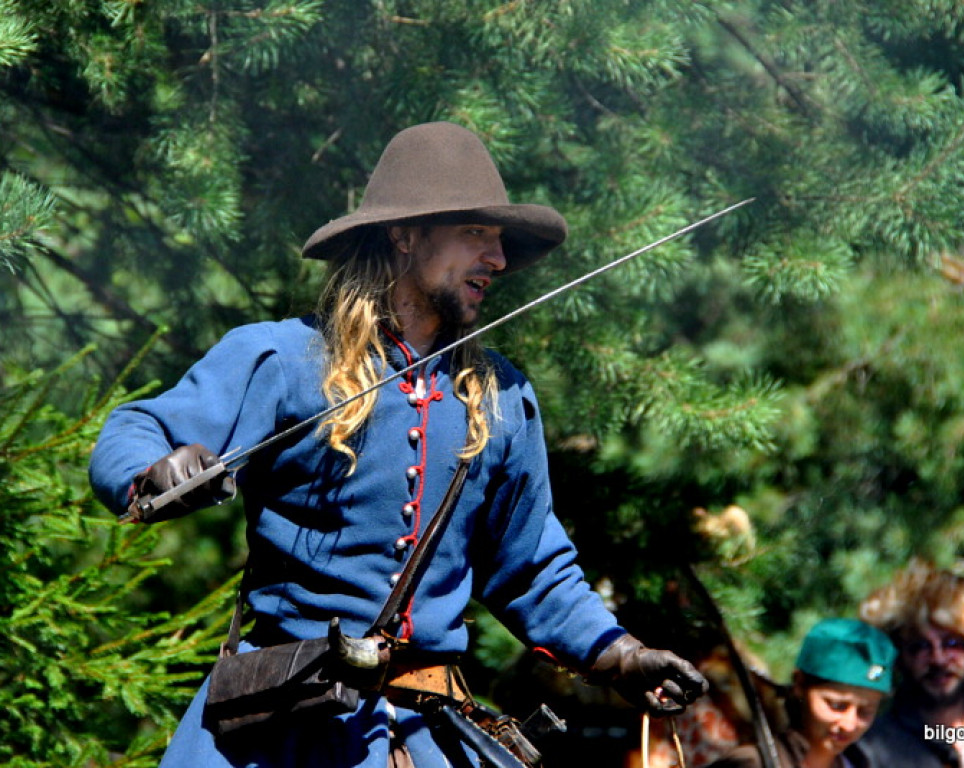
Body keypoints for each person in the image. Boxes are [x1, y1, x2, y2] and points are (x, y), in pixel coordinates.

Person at [88, 121, 707, 768]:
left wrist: (621, 655)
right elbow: (135, 431)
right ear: (404, 236)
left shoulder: (500, 400)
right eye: (475, 233)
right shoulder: (283, 362)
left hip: (426, 735)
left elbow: (531, 569)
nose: (496, 259)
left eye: (499, 241)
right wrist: (156, 471)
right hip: (277, 732)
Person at [856, 559, 964, 768]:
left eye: (952, 643)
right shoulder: (873, 747)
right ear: (899, 657)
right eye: (920, 646)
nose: (938, 659)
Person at [706, 618, 896, 768]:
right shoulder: (752, 763)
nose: (849, 724)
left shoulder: (861, 762)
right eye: (837, 705)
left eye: (865, 711)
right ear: (799, 684)